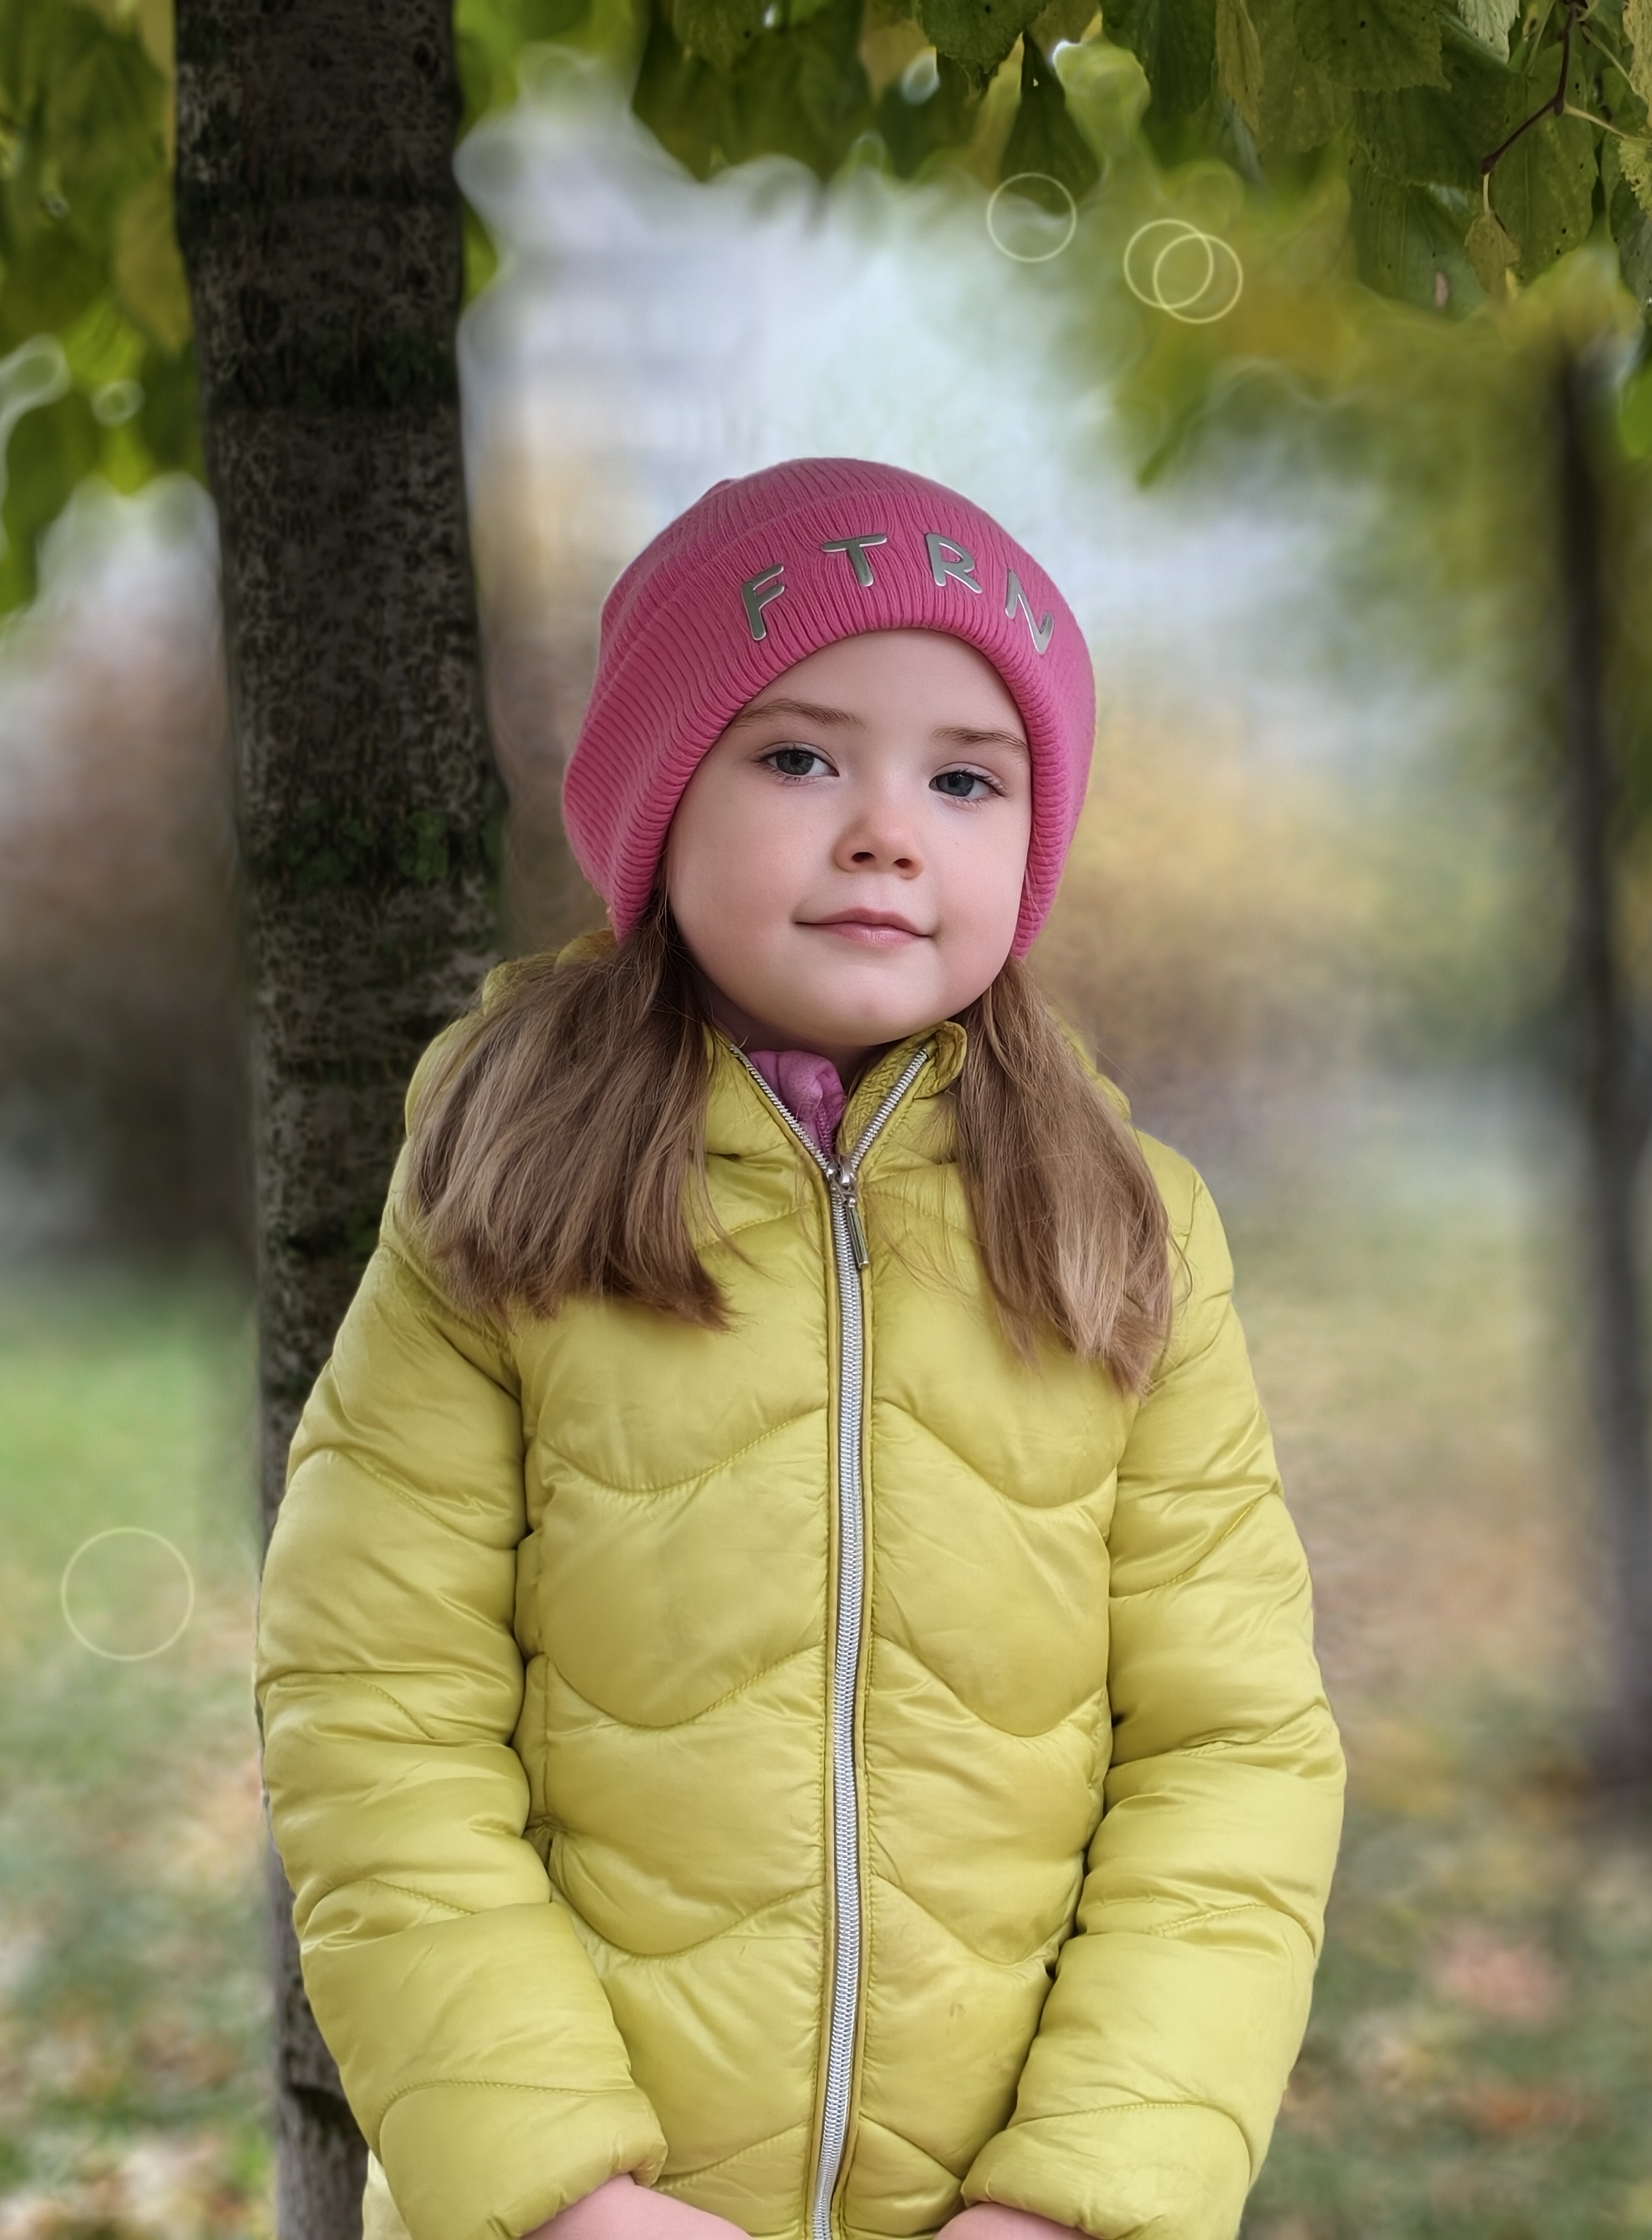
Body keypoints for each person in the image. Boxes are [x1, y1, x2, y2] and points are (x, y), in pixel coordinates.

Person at [254, 459, 1344, 2240]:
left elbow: (1229, 1754)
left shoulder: (1123, 1235)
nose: (886, 832)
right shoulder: (501, 1195)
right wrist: (558, 2190)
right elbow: (377, 1715)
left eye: (964, 778)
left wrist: (1085, 2195)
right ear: (657, 797)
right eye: (797, 759)